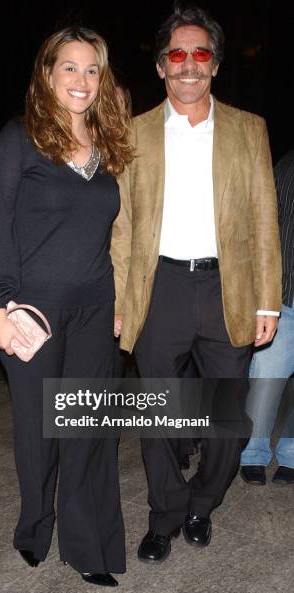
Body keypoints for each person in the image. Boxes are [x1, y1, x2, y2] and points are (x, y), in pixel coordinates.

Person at [111, 3, 281, 564]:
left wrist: (269, 302)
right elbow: (123, 226)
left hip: (225, 291)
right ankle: (164, 515)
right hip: (158, 288)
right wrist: (120, 300)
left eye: (200, 53)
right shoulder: (133, 134)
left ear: (215, 64)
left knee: (228, 421)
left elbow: (263, 218)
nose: (189, 64)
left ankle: (202, 504)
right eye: (177, 54)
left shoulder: (247, 128)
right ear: (161, 66)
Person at [0, 26, 133, 587]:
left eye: (92, 69)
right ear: (47, 74)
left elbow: (113, 235)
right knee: (39, 435)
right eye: (69, 67)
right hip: (31, 313)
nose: (81, 80)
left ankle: (90, 546)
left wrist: (118, 304)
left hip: (95, 310)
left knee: (90, 431)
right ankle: (34, 529)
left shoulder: (110, 147)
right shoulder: (18, 140)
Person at [240, 150, 294, 486]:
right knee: (265, 380)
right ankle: (252, 452)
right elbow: (264, 230)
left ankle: (291, 454)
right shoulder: (286, 167)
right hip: (283, 296)